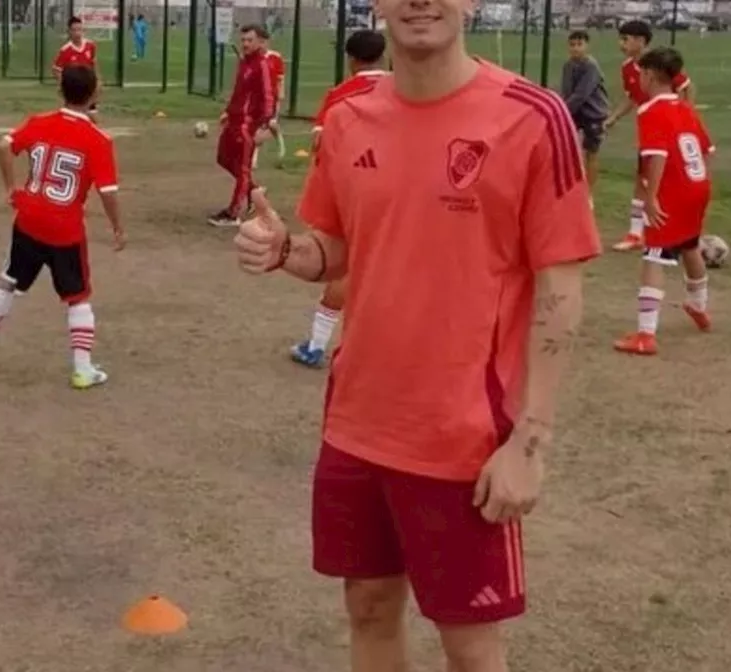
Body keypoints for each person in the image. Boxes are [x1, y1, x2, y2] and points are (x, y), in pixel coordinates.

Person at [233, 0, 601, 665]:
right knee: (368, 609)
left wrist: (531, 441)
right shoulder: (347, 118)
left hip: (462, 438)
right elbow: (335, 248)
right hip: (357, 423)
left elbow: (561, 288)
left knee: (469, 645)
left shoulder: (531, 116)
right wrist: (287, 251)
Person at [0, 65, 125, 390]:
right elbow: (108, 192)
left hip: (28, 217)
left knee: (9, 277)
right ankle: (82, 370)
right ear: (95, 93)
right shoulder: (98, 139)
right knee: (78, 295)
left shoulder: (39, 122)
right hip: (64, 228)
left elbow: (3, 145)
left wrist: (11, 189)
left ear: (61, 91)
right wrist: (117, 228)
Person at [289, 28, 386, 368]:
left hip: (356, 191)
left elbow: (321, 145)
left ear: (351, 60)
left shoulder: (340, 95)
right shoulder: (405, 88)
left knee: (348, 268)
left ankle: (316, 344)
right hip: (402, 195)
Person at [613, 47, 713, 356]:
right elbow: (706, 150)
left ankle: (645, 335)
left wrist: (652, 197)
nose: (638, 79)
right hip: (697, 186)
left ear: (651, 75)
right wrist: (701, 185)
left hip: (671, 191)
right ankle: (699, 306)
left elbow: (656, 156)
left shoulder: (651, 111)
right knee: (690, 245)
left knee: (654, 256)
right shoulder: (686, 108)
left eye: (641, 74)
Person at [603, 19, 693, 252]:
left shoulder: (661, 63)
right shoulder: (627, 68)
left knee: (664, 180)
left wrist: (684, 120)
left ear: (641, 41)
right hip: (649, 131)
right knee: (643, 180)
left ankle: (672, 232)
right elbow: (632, 97)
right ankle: (637, 233)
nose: (621, 44)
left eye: (626, 39)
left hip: (666, 131)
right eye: (620, 39)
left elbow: (686, 88)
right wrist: (614, 118)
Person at [208, 25, 274, 228]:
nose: (245, 43)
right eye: (243, 39)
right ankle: (254, 191)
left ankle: (233, 213)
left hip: (247, 124)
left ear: (261, 42)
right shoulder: (244, 62)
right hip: (234, 120)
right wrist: (228, 111)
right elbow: (239, 92)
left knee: (243, 168)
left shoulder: (262, 64)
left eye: (250, 40)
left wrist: (264, 124)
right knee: (223, 159)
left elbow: (268, 96)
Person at [560, 30, 607, 198]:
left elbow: (581, 94)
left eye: (579, 45)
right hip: (574, 112)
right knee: (567, 148)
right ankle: (571, 185)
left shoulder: (591, 66)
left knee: (591, 152)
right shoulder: (568, 65)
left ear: (586, 46)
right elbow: (566, 91)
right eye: (572, 45)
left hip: (593, 113)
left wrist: (562, 110)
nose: (576, 49)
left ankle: (589, 193)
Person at [53, 17, 99, 117]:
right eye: (74, 30)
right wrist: (63, 84)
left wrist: (98, 81)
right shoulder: (65, 50)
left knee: (92, 117)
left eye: (80, 30)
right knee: (72, 117)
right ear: (69, 32)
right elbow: (56, 69)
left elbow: (94, 63)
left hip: (88, 88)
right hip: (73, 91)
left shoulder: (90, 46)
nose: (77, 33)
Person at [255, 34, 287, 166]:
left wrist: (281, 93)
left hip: (271, 98)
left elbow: (280, 78)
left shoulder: (275, 57)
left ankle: (281, 147)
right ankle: (254, 158)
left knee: (270, 125)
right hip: (257, 98)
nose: (261, 45)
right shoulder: (253, 58)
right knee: (258, 127)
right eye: (259, 42)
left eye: (263, 42)